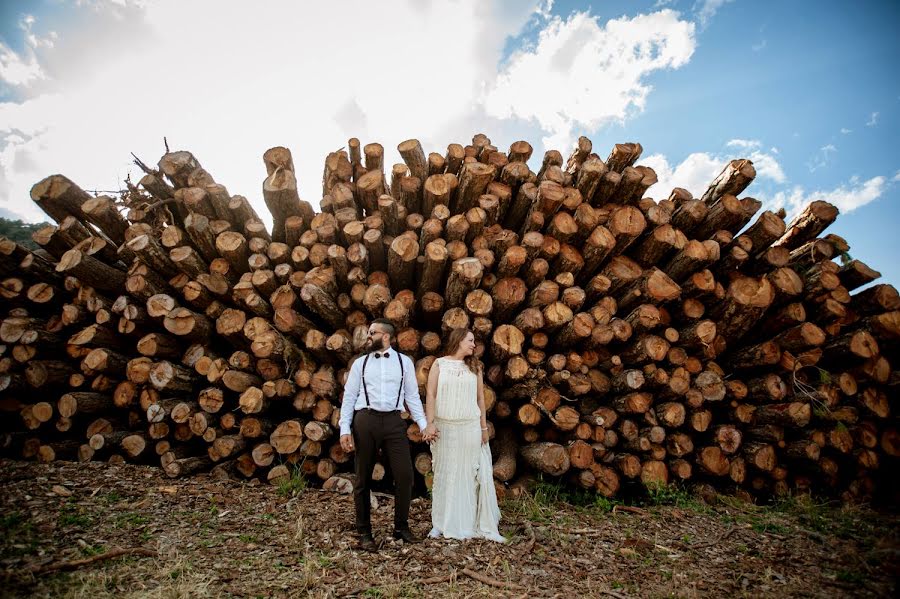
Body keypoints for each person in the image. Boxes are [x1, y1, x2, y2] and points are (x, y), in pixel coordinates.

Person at [339, 318, 429, 551]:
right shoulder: (360, 364)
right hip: (365, 420)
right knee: (363, 478)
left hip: (393, 421)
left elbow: (412, 397)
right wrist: (344, 429)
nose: (368, 336)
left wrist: (423, 424)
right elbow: (348, 398)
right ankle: (364, 531)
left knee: (405, 475)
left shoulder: (404, 363)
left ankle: (401, 527)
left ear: (386, 336)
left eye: (372, 333)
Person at [423, 328, 505, 542]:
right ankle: (439, 524)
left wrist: (483, 428)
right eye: (470, 340)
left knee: (468, 475)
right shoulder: (439, 364)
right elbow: (431, 394)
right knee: (444, 474)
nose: (473, 345)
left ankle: (466, 523)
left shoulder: (475, 367)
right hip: (445, 428)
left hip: (469, 427)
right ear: (458, 340)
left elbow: (480, 399)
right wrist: (429, 423)